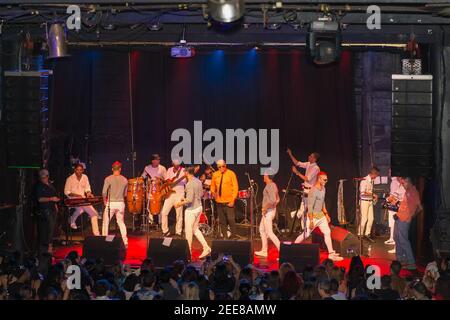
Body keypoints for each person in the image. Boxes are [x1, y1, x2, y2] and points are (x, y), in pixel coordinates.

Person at [294, 172, 343, 262]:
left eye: (326, 179)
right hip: (313, 217)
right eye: (324, 179)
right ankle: (291, 250)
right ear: (319, 179)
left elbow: (322, 202)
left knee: (327, 232)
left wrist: (326, 214)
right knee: (306, 234)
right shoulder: (313, 190)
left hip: (321, 216)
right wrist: (311, 221)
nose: (326, 181)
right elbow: (310, 207)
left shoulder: (323, 188)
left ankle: (331, 254)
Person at [176, 166, 211, 259]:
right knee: (195, 229)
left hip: (191, 210)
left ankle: (188, 253)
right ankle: (206, 247)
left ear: (187, 173)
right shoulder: (198, 181)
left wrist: (180, 203)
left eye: (184, 172)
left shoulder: (190, 184)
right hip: (199, 207)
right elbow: (199, 195)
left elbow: (190, 200)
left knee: (188, 231)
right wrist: (185, 198)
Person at [286, 149, 320, 230]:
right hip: (305, 190)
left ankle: (296, 214)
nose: (309, 157)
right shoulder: (308, 164)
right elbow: (297, 163)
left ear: (314, 159)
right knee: (303, 210)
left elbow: (307, 179)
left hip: (310, 191)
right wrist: (290, 154)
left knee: (304, 210)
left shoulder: (316, 168)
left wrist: (297, 172)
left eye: (311, 156)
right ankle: (303, 229)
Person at [393, 177, 422, 270]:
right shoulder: (408, 191)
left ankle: (411, 262)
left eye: (403, 183)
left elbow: (420, 207)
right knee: (396, 238)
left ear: (408, 182)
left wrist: (411, 217)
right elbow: (405, 206)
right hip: (399, 218)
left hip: (404, 220)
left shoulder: (413, 192)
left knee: (403, 241)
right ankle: (400, 259)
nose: (402, 185)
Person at [64, 164, 100, 235]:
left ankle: (97, 235)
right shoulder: (70, 179)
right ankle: (72, 220)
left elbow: (87, 188)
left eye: (81, 170)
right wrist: (77, 196)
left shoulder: (85, 177)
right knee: (82, 208)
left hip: (83, 200)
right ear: (75, 170)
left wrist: (89, 193)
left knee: (94, 214)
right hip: (73, 200)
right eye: (78, 170)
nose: (79, 171)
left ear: (83, 170)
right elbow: (66, 192)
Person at [210, 160, 239, 239]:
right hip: (219, 202)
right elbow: (212, 186)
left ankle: (234, 236)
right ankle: (225, 237)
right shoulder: (215, 174)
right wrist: (213, 192)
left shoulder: (231, 173)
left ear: (225, 165)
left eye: (223, 166)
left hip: (229, 201)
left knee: (231, 219)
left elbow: (235, 187)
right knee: (222, 221)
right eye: (219, 167)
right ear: (217, 167)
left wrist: (233, 200)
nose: (222, 168)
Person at [102, 161, 129, 247]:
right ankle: (125, 242)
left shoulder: (108, 178)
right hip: (120, 203)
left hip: (111, 203)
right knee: (121, 222)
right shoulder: (125, 180)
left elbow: (104, 192)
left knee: (106, 222)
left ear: (112, 169)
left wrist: (104, 201)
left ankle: (104, 241)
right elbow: (125, 194)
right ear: (120, 169)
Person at [255, 170, 280, 257]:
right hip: (269, 211)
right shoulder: (273, 185)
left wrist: (266, 208)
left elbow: (273, 200)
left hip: (268, 212)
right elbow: (277, 199)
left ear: (267, 176)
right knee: (262, 229)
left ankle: (282, 251)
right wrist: (272, 207)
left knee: (269, 232)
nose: (263, 176)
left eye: (264, 174)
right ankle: (264, 251)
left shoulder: (270, 186)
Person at [35, 169, 60, 254]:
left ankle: (49, 245)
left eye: (45, 177)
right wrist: (51, 199)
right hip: (45, 209)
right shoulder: (39, 186)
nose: (43, 179)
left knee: (52, 228)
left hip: (52, 208)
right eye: (42, 178)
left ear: (48, 177)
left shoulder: (50, 185)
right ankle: (49, 247)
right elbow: (39, 199)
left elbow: (54, 195)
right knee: (50, 227)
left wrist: (55, 205)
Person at [160, 159, 185, 237]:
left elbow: (185, 182)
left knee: (179, 215)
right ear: (172, 163)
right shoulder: (169, 169)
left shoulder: (184, 170)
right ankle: (165, 231)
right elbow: (167, 180)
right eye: (175, 163)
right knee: (163, 212)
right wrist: (169, 183)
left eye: (178, 163)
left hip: (179, 194)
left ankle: (178, 231)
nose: (176, 164)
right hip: (170, 194)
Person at [141, 154, 167, 226]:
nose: (158, 161)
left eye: (159, 159)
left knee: (160, 205)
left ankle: (159, 222)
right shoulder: (147, 168)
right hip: (150, 190)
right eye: (157, 159)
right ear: (152, 161)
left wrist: (159, 179)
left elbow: (166, 179)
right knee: (150, 204)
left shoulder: (162, 168)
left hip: (159, 190)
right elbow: (143, 177)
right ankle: (151, 222)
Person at [358, 166, 380, 242]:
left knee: (371, 219)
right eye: (376, 175)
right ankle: (360, 234)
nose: (376, 177)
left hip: (369, 201)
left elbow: (369, 191)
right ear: (374, 174)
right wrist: (373, 195)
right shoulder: (364, 180)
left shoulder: (371, 181)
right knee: (364, 218)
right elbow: (362, 192)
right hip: (364, 201)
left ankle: (367, 234)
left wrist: (373, 197)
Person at [385, 169, 406, 247]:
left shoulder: (394, 182)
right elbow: (395, 194)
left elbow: (396, 195)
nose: (389, 173)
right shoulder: (397, 183)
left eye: (390, 172)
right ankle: (393, 239)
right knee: (393, 223)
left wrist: (392, 200)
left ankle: (394, 240)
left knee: (394, 223)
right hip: (396, 204)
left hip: (398, 206)